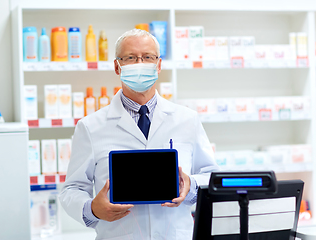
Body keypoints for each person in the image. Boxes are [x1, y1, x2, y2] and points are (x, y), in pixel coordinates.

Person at [59, 29, 219, 240]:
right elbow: (72, 188)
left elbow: (212, 177)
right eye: (131, 58)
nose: (140, 64)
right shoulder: (91, 127)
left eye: (148, 57)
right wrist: (92, 209)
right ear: (117, 66)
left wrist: (190, 186)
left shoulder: (187, 120)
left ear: (159, 65)